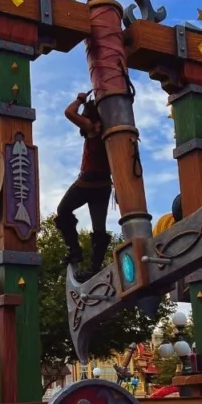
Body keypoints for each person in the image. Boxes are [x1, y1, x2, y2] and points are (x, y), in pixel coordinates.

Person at [55, 91, 113, 280]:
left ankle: (74, 250)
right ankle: (94, 267)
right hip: (104, 185)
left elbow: (69, 112)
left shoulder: (92, 127)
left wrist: (80, 99)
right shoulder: (108, 131)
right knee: (99, 228)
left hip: (87, 182)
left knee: (63, 210)